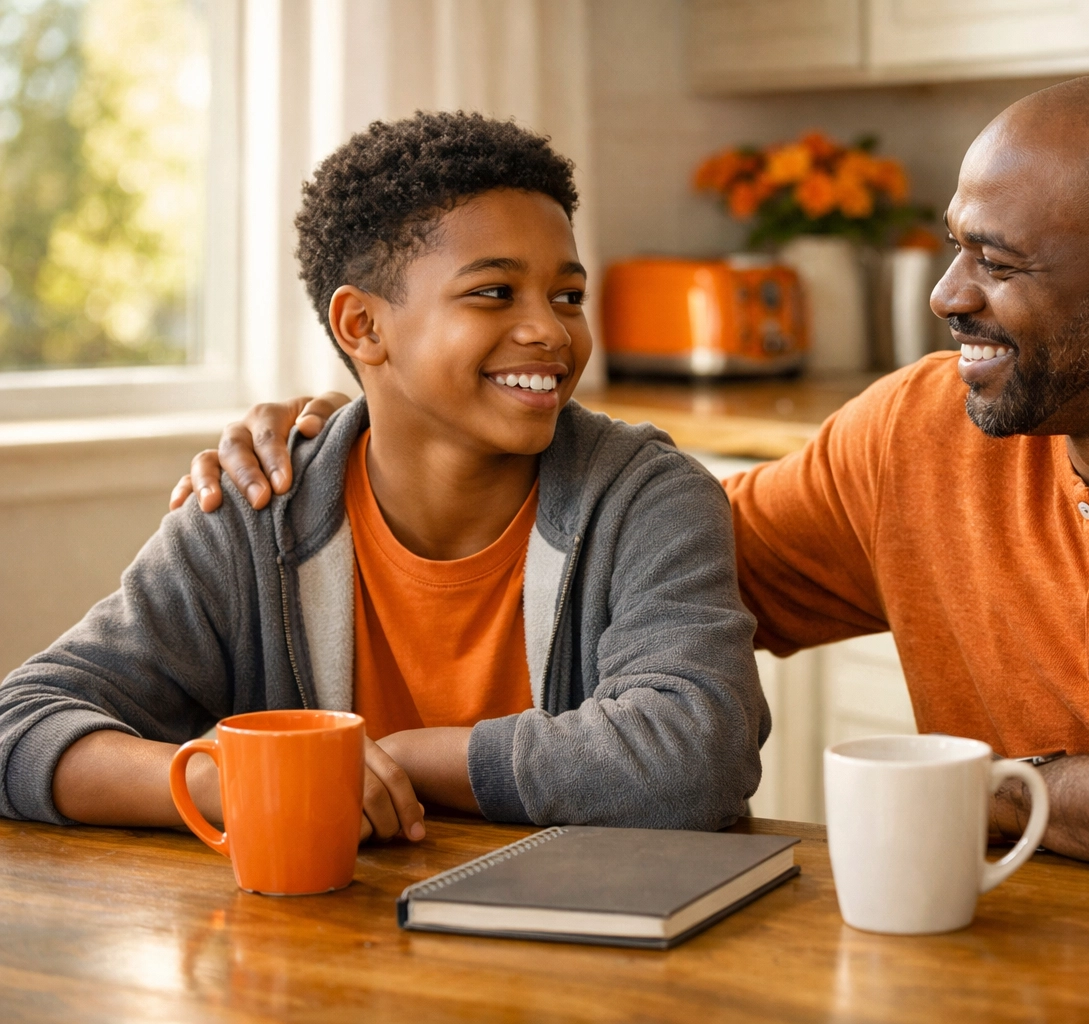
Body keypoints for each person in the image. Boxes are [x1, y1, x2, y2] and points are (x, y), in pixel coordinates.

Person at [175, 72, 1089, 1018]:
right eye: (949, 250)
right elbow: (645, 577)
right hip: (1040, 989)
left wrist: (1003, 794)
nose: (946, 297)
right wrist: (383, 428)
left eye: (992, 263)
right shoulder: (915, 436)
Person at [0, 111, 767, 844]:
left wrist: (388, 760)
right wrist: (228, 780)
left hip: (582, 965)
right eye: (494, 293)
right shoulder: (257, 511)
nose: (550, 329)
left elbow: (694, 757)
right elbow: (18, 728)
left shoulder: (646, 500)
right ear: (362, 327)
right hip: (311, 953)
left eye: (567, 296)